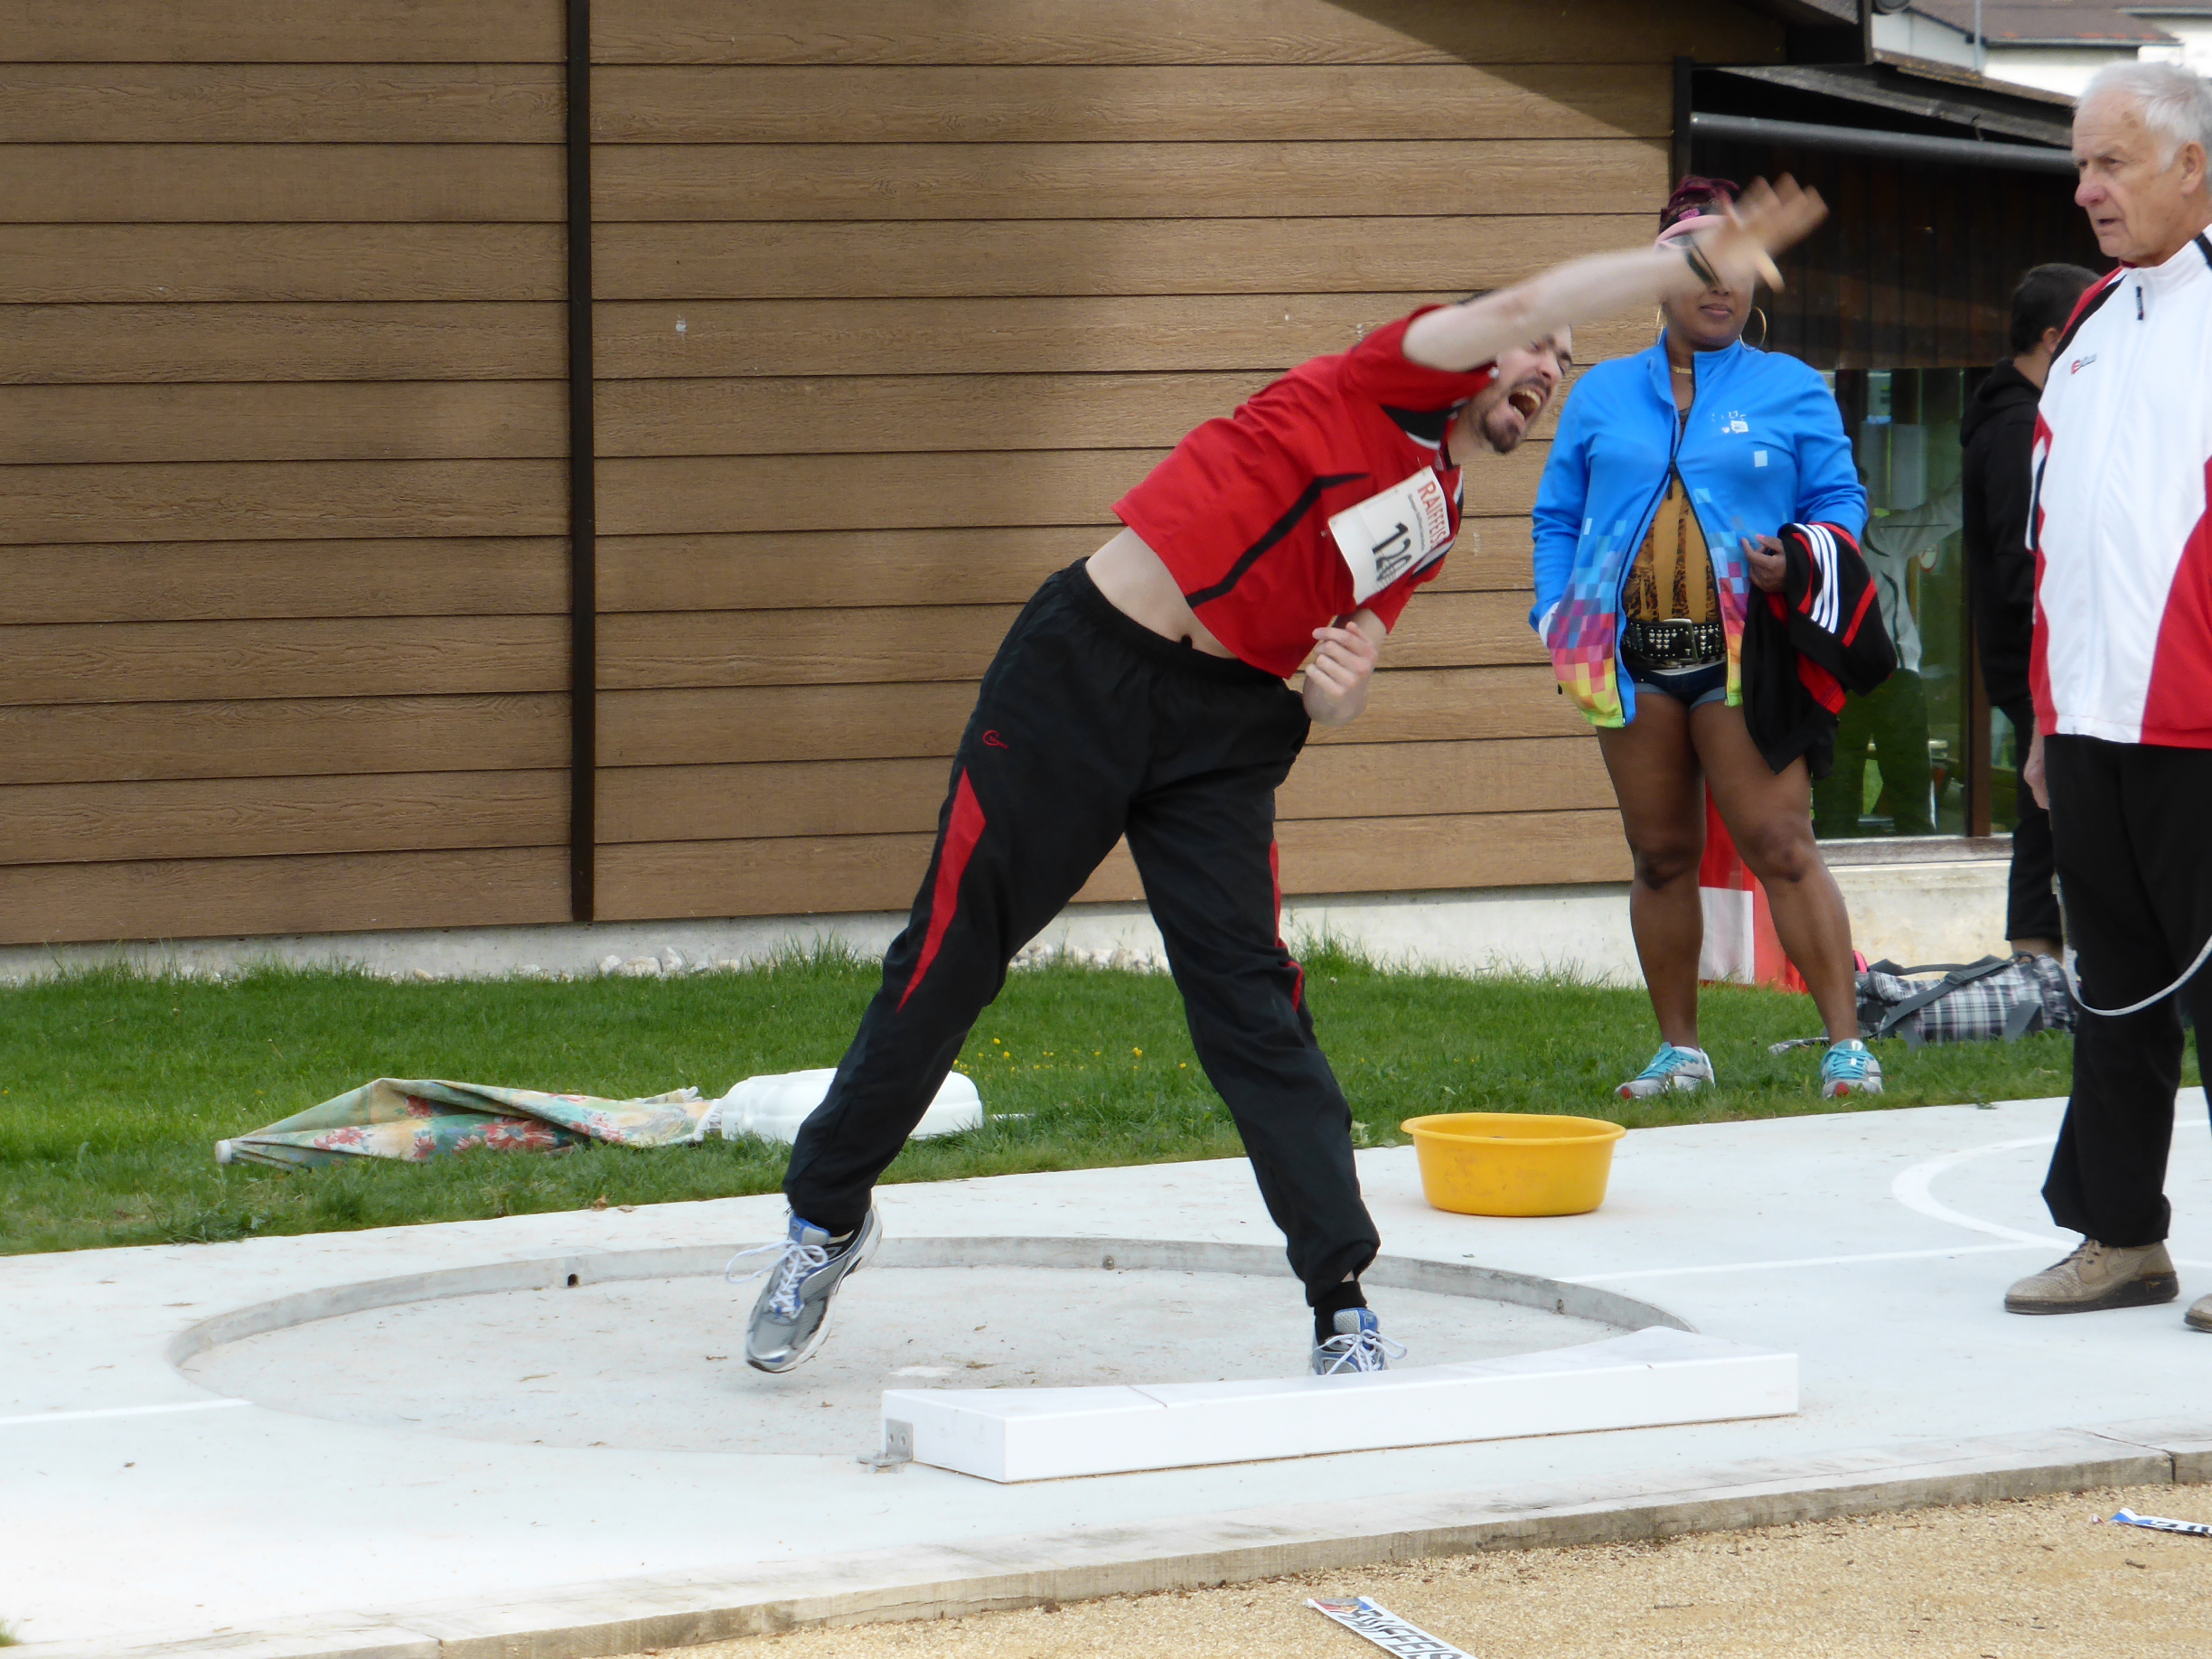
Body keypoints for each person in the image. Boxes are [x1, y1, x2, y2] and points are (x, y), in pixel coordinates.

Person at [738, 179, 1828, 1379]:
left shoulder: (1439, 511)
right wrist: (1686, 264)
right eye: (1536, 351)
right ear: (1478, 344)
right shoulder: (1391, 374)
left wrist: (1342, 683)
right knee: (952, 954)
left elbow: (1337, 685)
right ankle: (823, 1221)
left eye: (1563, 369)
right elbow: (1529, 300)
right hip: (1082, 676)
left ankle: (1341, 1300)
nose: (1546, 370)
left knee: (1251, 1003)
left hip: (1230, 729)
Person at [1531, 176, 1879, 1103]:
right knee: (1659, 856)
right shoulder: (1602, 394)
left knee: (1781, 842)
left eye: (1738, 268)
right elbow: (1557, 517)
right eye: (1699, 269)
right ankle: (1680, 1052)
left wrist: (1798, 559)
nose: (1720, 286)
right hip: (1627, 661)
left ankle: (1847, 1046)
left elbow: (1840, 499)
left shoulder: (1790, 387)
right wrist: (1555, 617)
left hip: (1745, 658)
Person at [2004, 61, 2212, 1330]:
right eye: (2080, 164)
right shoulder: (2085, 324)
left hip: (2201, 723)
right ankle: (2121, 1234)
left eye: (2111, 163)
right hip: (2089, 723)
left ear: (2192, 164)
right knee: (2114, 991)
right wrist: (2044, 715)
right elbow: (2053, 540)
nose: (2087, 189)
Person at [1959, 263, 2099, 956]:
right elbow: (2023, 559)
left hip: (2037, 650)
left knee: (2045, 811)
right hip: (2038, 654)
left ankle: (2040, 956)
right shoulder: (2018, 426)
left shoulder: (2014, 414)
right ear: (2054, 338)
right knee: (2049, 810)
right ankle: (2037, 957)